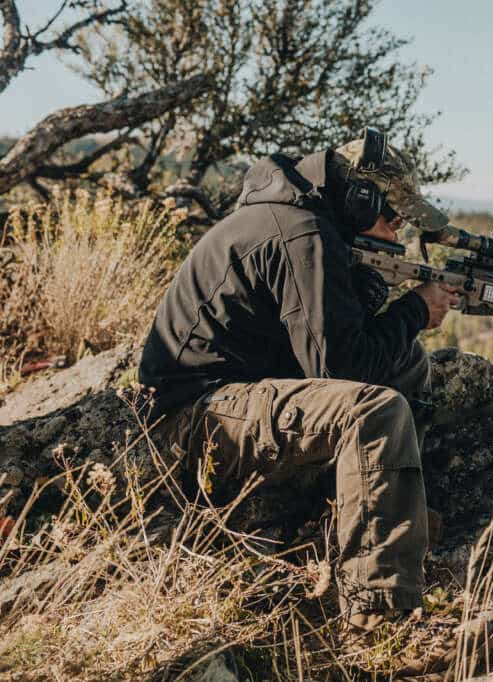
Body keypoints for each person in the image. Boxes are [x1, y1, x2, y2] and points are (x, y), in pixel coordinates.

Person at [139, 128, 460, 636]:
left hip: (231, 400)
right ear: (358, 201)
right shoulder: (304, 234)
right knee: (375, 409)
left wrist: (379, 297)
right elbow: (342, 373)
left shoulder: (303, 222)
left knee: (408, 366)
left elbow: (329, 343)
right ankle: (380, 611)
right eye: (393, 218)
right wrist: (416, 309)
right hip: (196, 419)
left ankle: (387, 511)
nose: (397, 233)